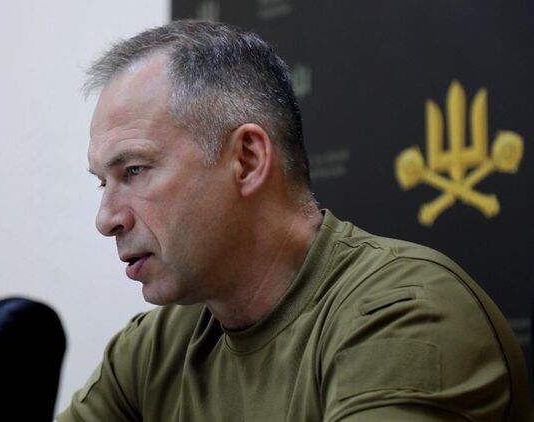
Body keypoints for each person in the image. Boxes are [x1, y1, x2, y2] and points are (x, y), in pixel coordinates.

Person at [58, 20, 533, 421]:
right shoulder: (155, 350)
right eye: (103, 182)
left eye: (134, 170)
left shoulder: (407, 314)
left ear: (247, 160)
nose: (107, 219)